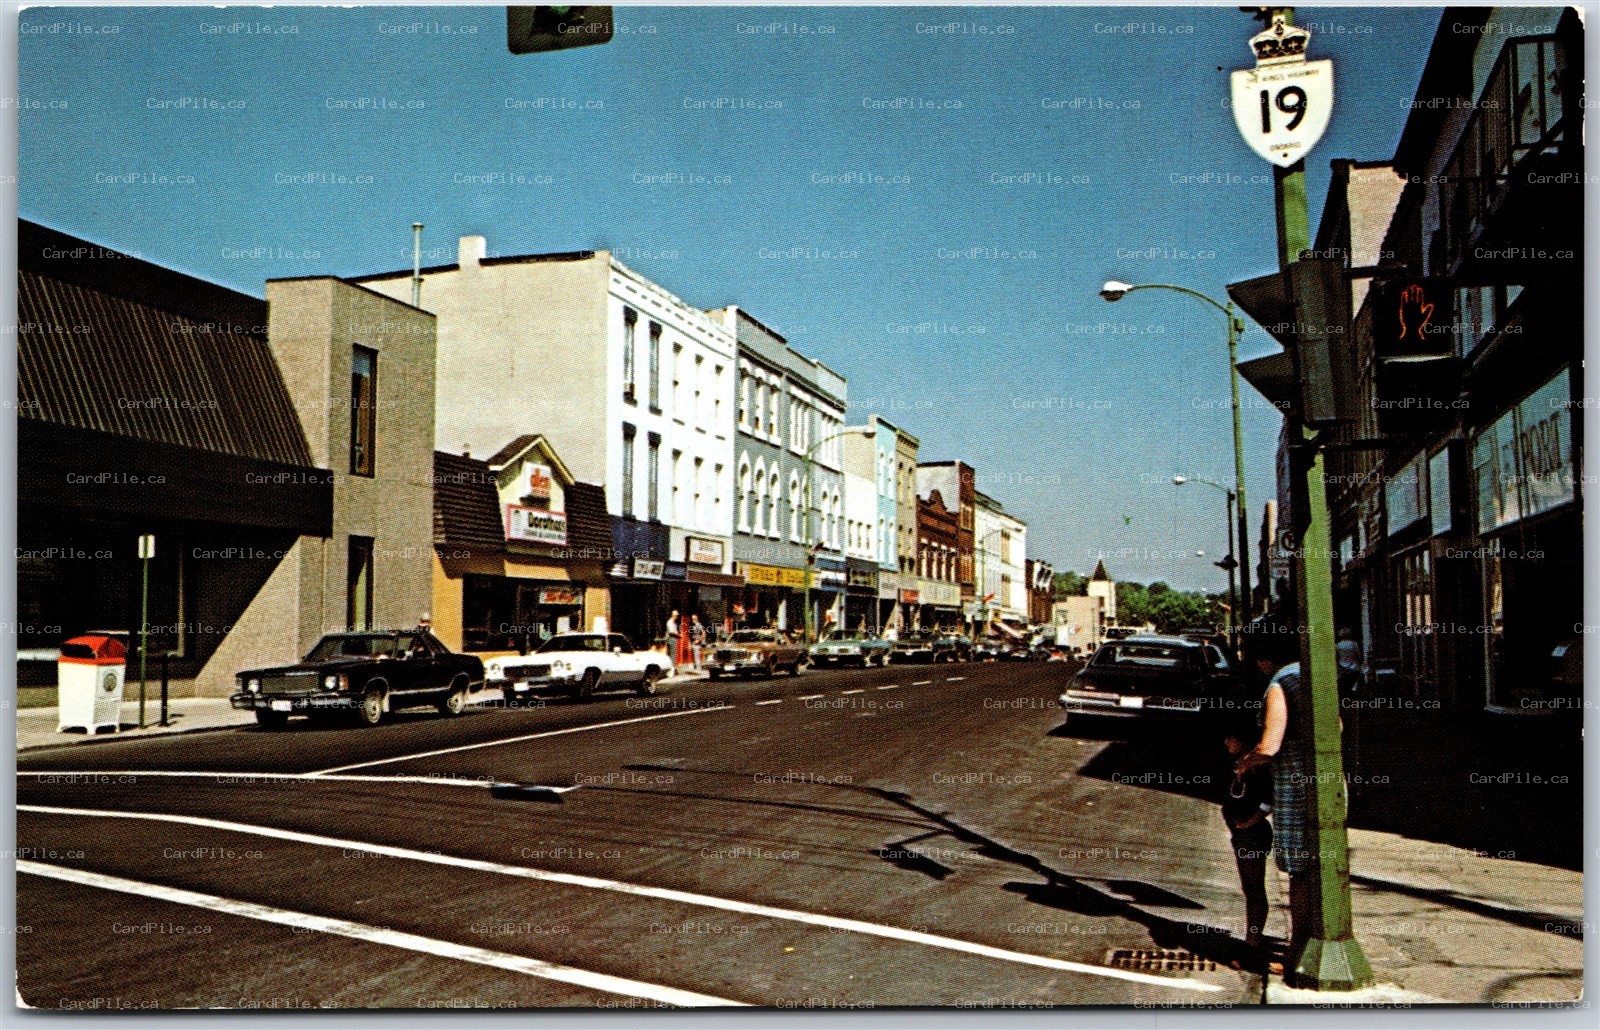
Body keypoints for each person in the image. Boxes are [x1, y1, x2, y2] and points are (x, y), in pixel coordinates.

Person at [1235, 626, 1315, 971]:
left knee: (1297, 871)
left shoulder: (1279, 684)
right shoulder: (1309, 674)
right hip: (1322, 784)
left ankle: (1297, 954)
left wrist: (1244, 763)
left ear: (1262, 658)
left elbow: (1269, 747)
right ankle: (1306, 946)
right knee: (1316, 869)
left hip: (1293, 789)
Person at [1222, 715, 1273, 962]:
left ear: (1242, 741)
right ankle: (1252, 939)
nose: (1226, 743)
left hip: (1252, 836)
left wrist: (1246, 823)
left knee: (1254, 890)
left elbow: (1266, 802)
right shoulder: (1238, 766)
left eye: (1231, 738)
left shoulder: (1257, 769)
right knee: (1249, 889)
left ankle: (1253, 943)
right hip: (1241, 837)